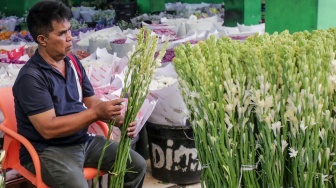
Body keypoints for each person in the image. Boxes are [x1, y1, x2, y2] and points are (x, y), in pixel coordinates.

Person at [12, 0, 146, 187]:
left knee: (136, 165)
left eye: (69, 30)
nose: (70, 38)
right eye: (61, 33)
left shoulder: (72, 62)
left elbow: (91, 101)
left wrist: (116, 118)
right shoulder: (31, 78)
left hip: (82, 140)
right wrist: (96, 114)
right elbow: (48, 129)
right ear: (42, 39)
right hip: (47, 150)